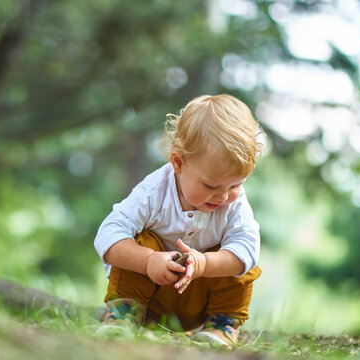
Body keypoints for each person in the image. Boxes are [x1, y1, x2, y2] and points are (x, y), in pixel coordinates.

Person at [93, 94, 263, 347]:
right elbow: (108, 234)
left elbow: (249, 249)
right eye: (211, 185)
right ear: (179, 162)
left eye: (236, 185)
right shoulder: (154, 192)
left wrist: (206, 263)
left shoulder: (234, 205)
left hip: (201, 303)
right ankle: (124, 316)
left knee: (238, 257)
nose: (224, 196)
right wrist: (148, 260)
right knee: (142, 240)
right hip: (150, 298)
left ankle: (221, 326)